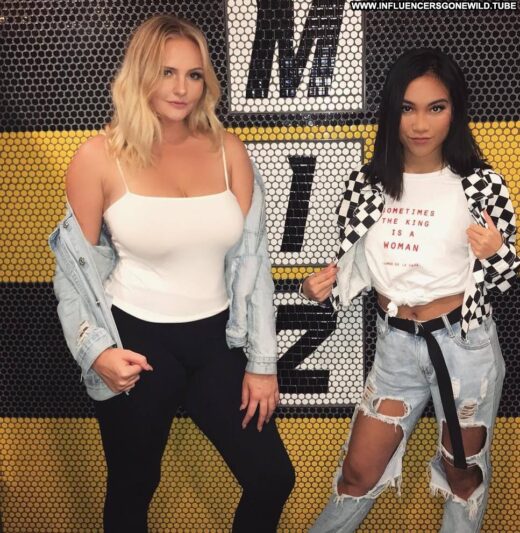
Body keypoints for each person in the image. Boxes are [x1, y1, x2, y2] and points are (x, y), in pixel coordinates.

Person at [48, 14, 294, 533]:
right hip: (136, 342)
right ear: (140, 73)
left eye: (194, 74)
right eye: (167, 72)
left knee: (271, 477)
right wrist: (96, 352)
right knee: (133, 487)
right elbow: (72, 274)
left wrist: (263, 363)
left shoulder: (230, 152)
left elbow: (255, 266)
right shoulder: (98, 158)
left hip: (218, 340)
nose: (182, 88)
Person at [303, 48, 518, 532]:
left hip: (463, 346)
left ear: (455, 111)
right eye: (407, 108)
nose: (420, 124)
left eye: (435, 107)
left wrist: (496, 253)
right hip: (395, 347)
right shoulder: (366, 185)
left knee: (463, 477)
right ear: (391, 112)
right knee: (357, 473)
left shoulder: (481, 185)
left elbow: (503, 281)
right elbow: (357, 268)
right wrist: (318, 287)